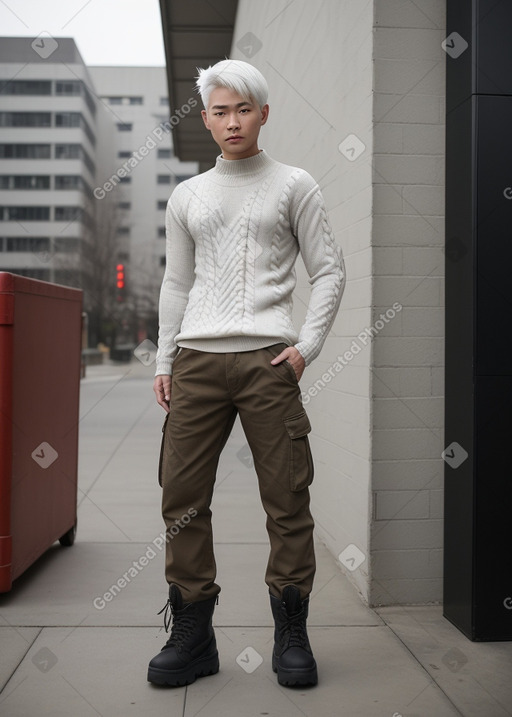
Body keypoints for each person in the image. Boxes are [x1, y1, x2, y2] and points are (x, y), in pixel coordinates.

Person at [147, 59, 345, 689]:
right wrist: (164, 360)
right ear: (204, 119)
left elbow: (330, 270)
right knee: (182, 501)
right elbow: (177, 282)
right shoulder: (189, 195)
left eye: (243, 108)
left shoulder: (295, 184)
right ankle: (193, 635)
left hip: (267, 362)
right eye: (219, 111)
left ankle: (292, 633)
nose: (232, 121)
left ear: (263, 113)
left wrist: (306, 346)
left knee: (287, 500)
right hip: (197, 362)